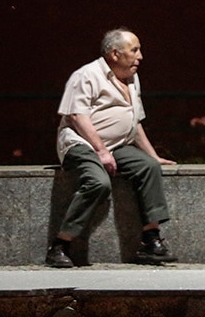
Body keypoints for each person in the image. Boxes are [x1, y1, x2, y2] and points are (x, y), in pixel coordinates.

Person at [45, 29, 176, 268]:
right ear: (115, 53)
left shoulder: (131, 77)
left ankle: (151, 240)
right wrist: (101, 151)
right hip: (81, 143)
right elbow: (76, 115)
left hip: (116, 145)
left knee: (149, 167)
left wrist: (153, 155)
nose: (140, 57)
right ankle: (60, 245)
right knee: (98, 182)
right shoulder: (86, 75)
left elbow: (134, 122)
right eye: (134, 50)